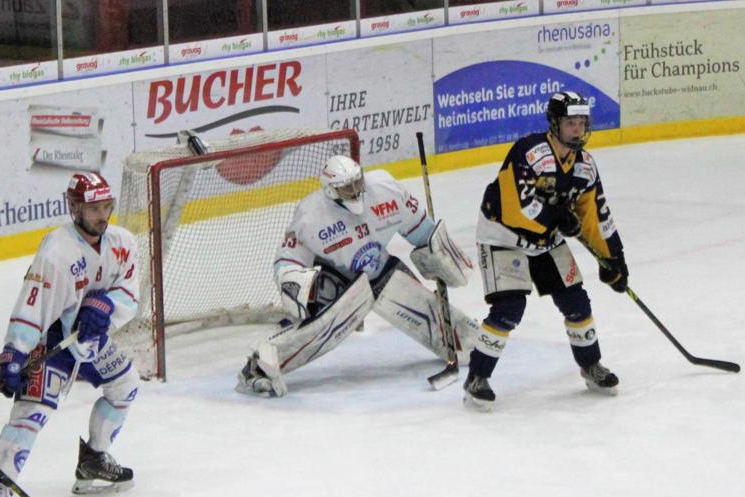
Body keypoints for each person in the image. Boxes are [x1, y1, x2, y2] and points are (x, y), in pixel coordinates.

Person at [0, 172, 141, 497]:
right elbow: (32, 306)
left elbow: (130, 295)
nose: (102, 215)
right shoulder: (56, 251)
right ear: (74, 207)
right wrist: (14, 355)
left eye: (106, 207)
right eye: (93, 208)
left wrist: (106, 307)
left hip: (91, 338)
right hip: (51, 341)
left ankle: (94, 459)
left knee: (125, 386)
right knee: (31, 414)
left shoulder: (123, 242)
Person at [236, 154, 479, 398]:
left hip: (381, 270)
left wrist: (436, 251)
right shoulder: (310, 216)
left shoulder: (385, 189)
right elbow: (287, 259)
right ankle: (257, 369)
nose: (355, 191)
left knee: (455, 333)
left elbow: (421, 229)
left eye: (357, 182)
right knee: (322, 332)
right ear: (330, 190)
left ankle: (474, 343)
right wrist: (291, 280)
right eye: (346, 188)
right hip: (339, 281)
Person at [462, 90, 628, 411]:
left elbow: (594, 217)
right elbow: (517, 207)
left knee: (577, 302)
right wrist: (557, 217)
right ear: (555, 124)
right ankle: (478, 377)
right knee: (509, 310)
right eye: (570, 123)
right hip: (502, 235)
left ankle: (591, 366)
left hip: (546, 239)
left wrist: (614, 259)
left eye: (582, 123)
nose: (577, 130)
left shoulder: (585, 167)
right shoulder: (530, 152)